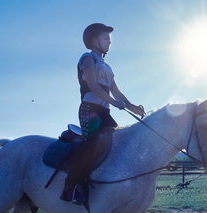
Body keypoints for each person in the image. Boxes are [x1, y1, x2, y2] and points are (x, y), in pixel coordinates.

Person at [61, 23, 145, 203]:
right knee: (93, 143)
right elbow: (92, 85)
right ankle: (70, 186)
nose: (109, 42)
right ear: (94, 40)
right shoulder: (88, 59)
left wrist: (133, 108)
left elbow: (117, 93)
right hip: (89, 109)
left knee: (117, 143)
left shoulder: (108, 68)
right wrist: (114, 102)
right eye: (106, 38)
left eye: (110, 39)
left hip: (104, 112)